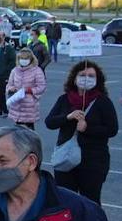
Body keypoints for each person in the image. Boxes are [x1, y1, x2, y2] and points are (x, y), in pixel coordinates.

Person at [44, 60, 118, 206]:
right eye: (83, 75)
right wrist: (67, 117)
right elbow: (49, 122)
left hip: (93, 161)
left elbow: (112, 129)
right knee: (65, 201)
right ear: (74, 78)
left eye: (91, 76)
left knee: (90, 202)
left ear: (97, 80)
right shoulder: (64, 99)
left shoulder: (103, 101)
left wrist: (87, 128)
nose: (87, 78)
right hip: (66, 158)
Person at [5, 47, 46, 130]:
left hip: (29, 106)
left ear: (30, 59)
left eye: (26, 58)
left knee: (29, 131)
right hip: (17, 104)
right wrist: (11, 89)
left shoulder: (37, 71)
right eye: (21, 58)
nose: (23, 60)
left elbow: (41, 86)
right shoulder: (15, 70)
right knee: (18, 130)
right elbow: (9, 85)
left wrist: (30, 90)